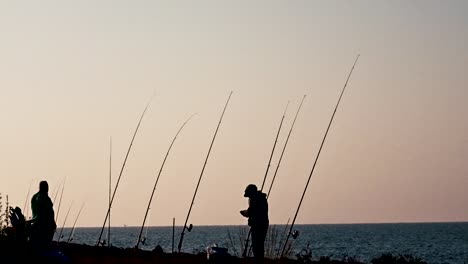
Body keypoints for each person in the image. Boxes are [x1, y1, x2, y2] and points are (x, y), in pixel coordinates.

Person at [240, 184, 269, 260]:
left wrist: (244, 213)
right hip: (261, 224)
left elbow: (251, 211)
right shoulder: (260, 198)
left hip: (258, 225)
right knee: (259, 244)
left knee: (257, 244)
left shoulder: (255, 199)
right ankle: (259, 258)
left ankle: (259, 259)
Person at [29, 181, 57, 249]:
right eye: (46, 187)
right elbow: (43, 213)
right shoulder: (43, 198)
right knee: (45, 245)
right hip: (45, 227)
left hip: (37, 225)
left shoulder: (34, 197)